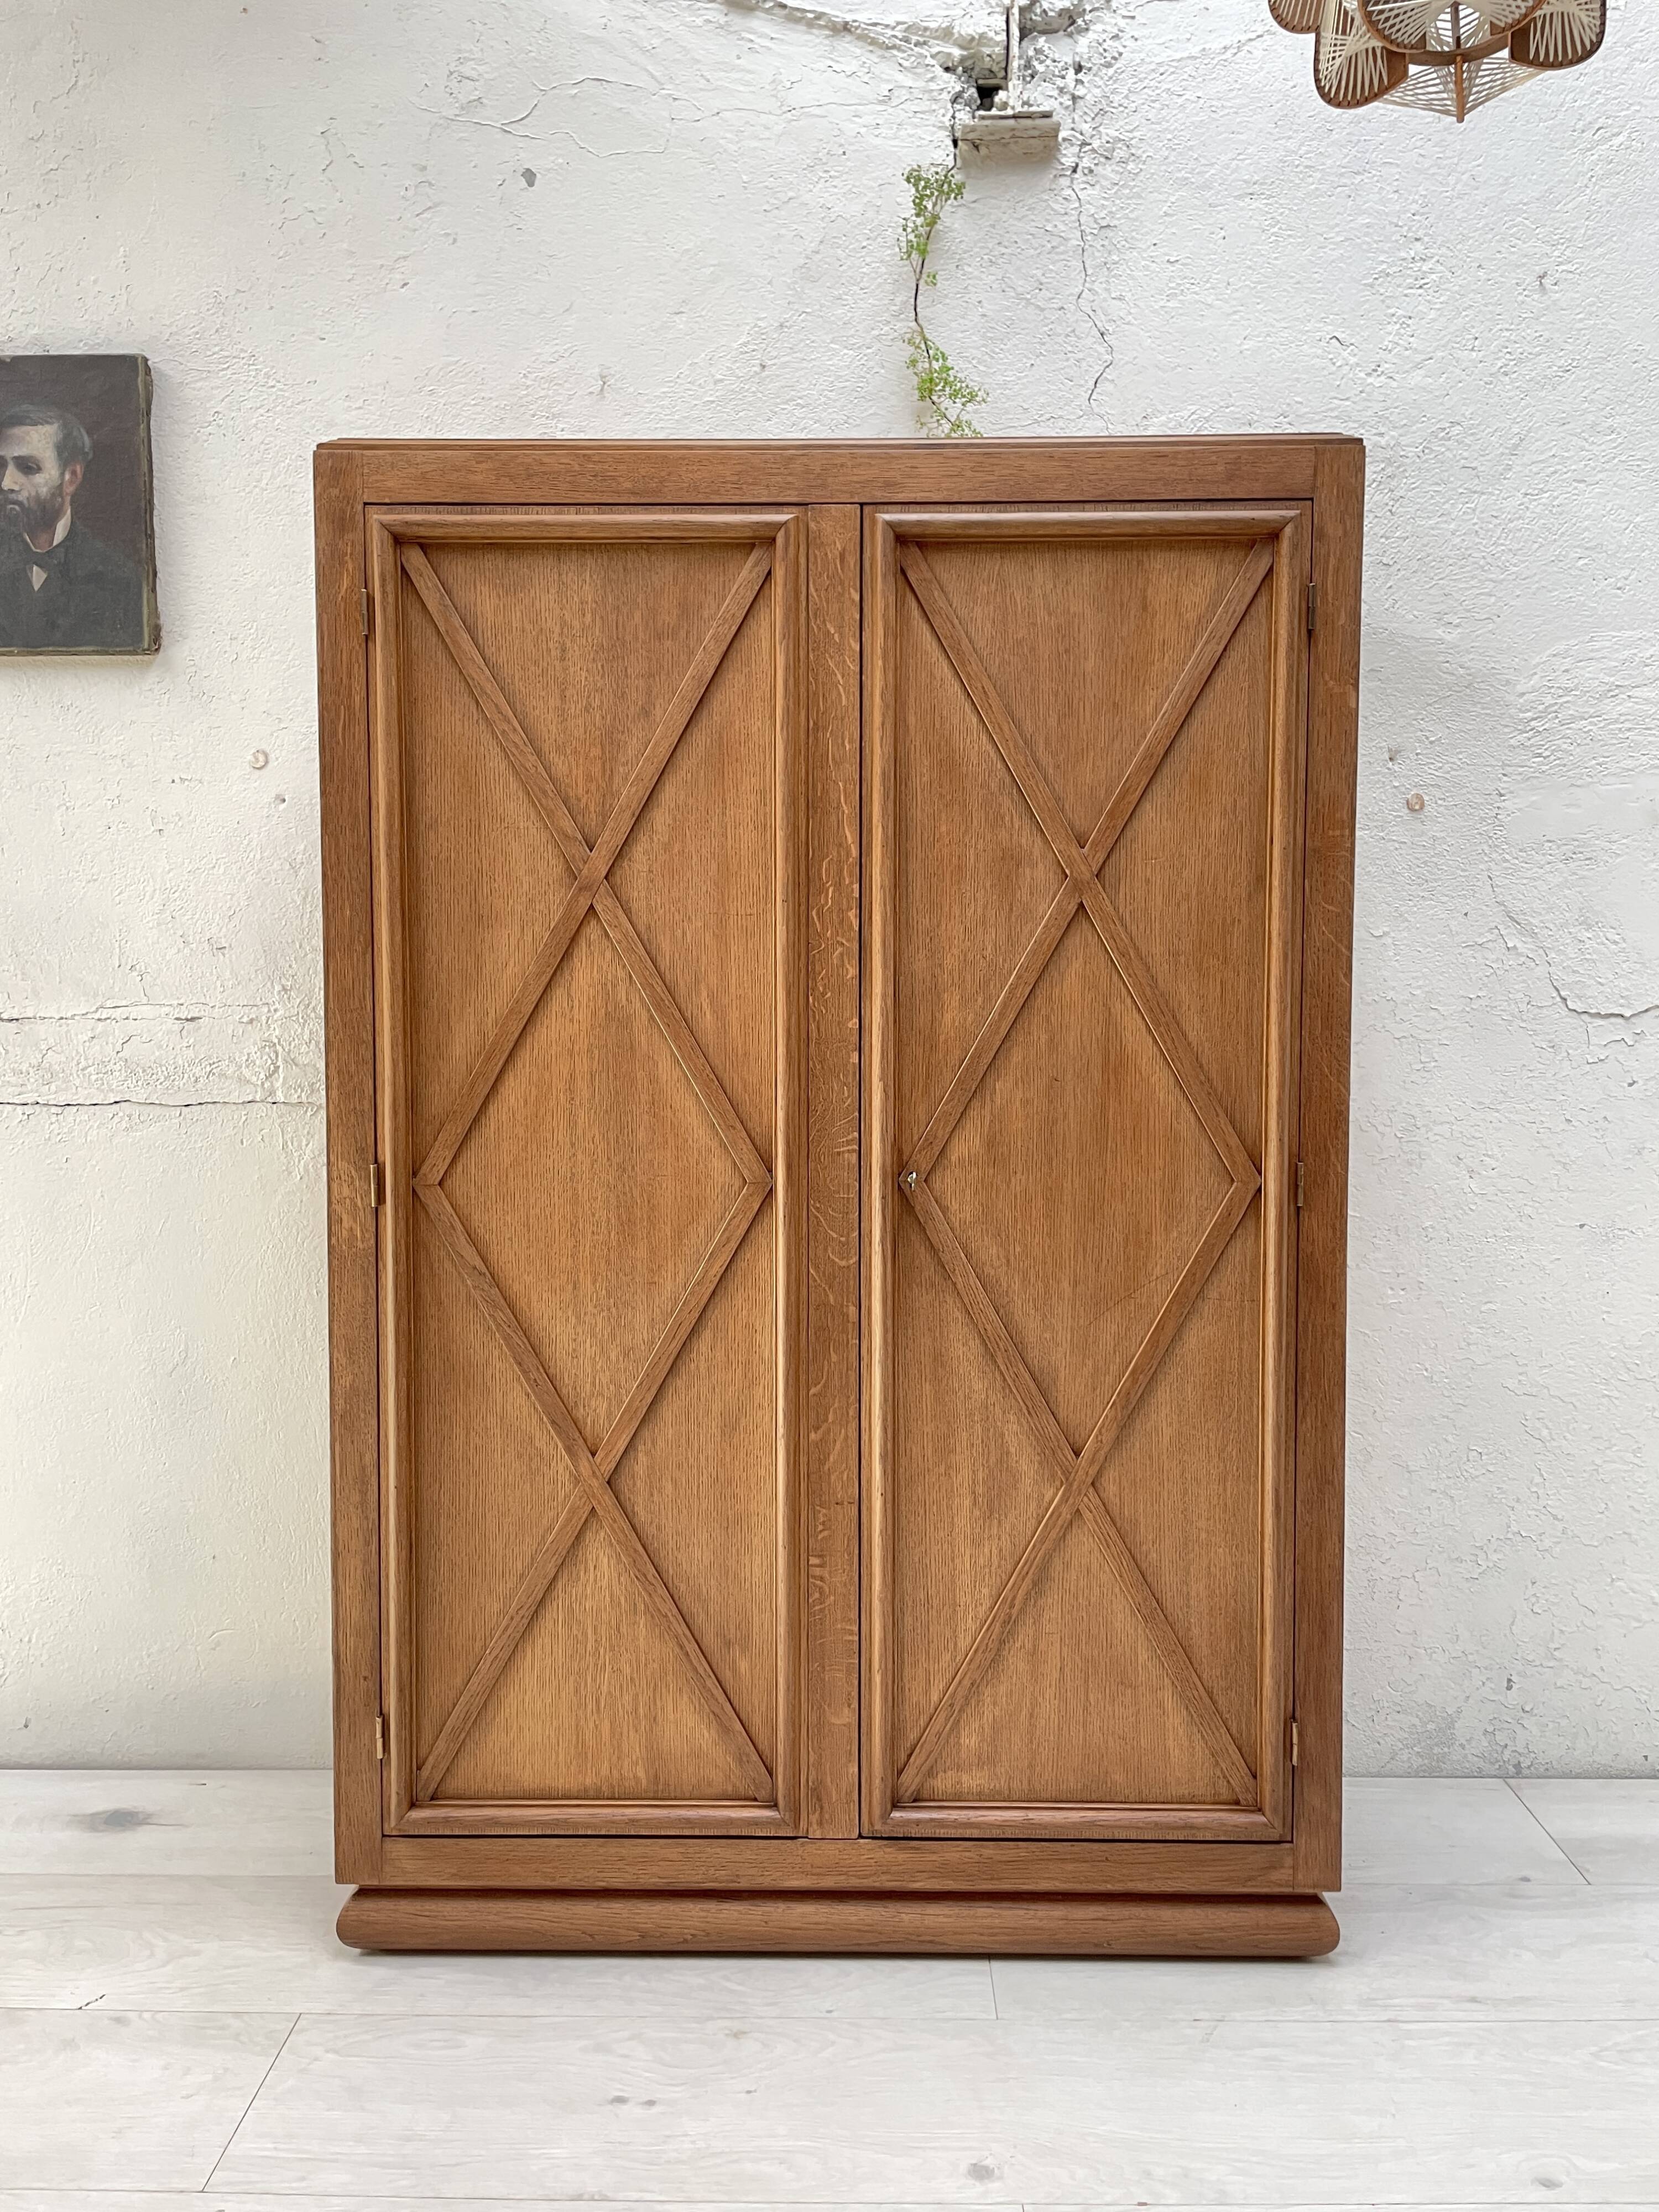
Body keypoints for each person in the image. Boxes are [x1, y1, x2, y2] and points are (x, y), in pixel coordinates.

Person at [0, 403, 145, 650]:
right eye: (1, 467)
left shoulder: (119, 579)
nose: (6, 484)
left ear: (71, 478)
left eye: (28, 468)